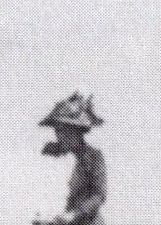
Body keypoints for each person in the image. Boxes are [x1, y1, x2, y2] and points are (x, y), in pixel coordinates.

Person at [34, 93, 107, 225]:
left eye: (65, 131)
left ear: (77, 131)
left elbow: (99, 195)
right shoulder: (51, 155)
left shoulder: (94, 157)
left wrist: (76, 213)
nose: (59, 136)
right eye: (57, 131)